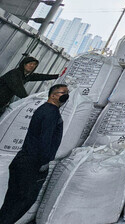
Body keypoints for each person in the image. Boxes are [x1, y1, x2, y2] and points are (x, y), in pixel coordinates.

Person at [0, 84, 69, 224]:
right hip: (32, 163)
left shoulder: (43, 109)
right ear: (53, 95)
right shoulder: (51, 113)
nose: (66, 95)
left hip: (22, 160)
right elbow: (46, 139)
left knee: (12, 201)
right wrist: (44, 162)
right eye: (63, 93)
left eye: (67, 93)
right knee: (24, 201)